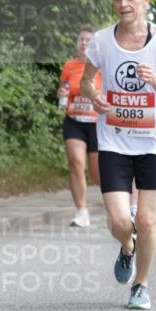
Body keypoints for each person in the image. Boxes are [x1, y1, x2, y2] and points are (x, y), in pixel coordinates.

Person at [81, 0, 156, 310]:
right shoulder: (101, 40)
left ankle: (141, 284)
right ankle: (127, 247)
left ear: (145, 0)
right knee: (121, 221)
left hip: (153, 144)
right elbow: (86, 82)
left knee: (148, 220)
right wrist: (94, 96)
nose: (123, 4)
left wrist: (155, 81)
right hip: (113, 142)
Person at [56, 26, 101, 227]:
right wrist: (61, 94)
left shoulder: (101, 66)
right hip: (74, 121)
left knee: (98, 174)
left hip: (97, 124)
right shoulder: (69, 66)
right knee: (75, 163)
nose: (84, 43)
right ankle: (81, 212)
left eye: (88, 40)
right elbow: (64, 88)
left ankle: (118, 204)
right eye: (81, 39)